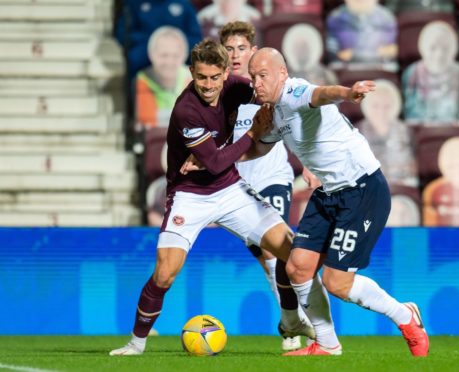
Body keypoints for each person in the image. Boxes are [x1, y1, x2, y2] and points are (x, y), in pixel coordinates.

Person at [109, 39, 314, 356]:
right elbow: (216, 161)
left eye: (214, 77)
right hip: (190, 195)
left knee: (290, 250)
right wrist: (251, 134)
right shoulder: (186, 110)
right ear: (191, 73)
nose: (208, 85)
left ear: (224, 74)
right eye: (201, 77)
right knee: (165, 273)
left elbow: (273, 94)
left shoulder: (235, 86)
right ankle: (136, 344)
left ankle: (290, 321)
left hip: (230, 189)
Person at [245, 48, 429, 356]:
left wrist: (348, 92)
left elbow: (322, 94)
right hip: (329, 193)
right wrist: (226, 153)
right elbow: (257, 150)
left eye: (262, 76)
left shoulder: (294, 92)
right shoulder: (273, 112)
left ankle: (405, 316)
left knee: (337, 282)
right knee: (298, 268)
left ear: (281, 73)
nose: (256, 83)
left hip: (362, 189)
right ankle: (327, 344)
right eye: (252, 77)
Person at [218, 21, 303, 351]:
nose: (235, 55)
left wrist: (307, 165)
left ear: (252, 51)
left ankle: (297, 321)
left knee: (276, 247)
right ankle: (291, 319)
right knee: (266, 259)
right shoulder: (220, 93)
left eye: (241, 48)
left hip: (272, 178)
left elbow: (295, 121)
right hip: (237, 187)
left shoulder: (266, 86)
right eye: (229, 50)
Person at [402, 21, 459, 127]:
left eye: (445, 48)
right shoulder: (411, 73)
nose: (439, 54)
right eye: (433, 47)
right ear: (423, 47)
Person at [114, 0, 203, 81]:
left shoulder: (184, 4)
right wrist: (152, 42)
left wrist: (177, 43)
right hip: (145, 50)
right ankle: (136, 95)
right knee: (134, 58)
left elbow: (196, 37)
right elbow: (122, 34)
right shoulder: (133, 4)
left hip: (178, 52)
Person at [135, 26, 193, 129]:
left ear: (183, 56)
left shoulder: (192, 79)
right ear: (152, 55)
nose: (169, 62)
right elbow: (147, 124)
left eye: (175, 56)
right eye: (164, 55)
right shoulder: (143, 80)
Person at [325, 0, 397, 66]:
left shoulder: (386, 17)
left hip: (379, 68)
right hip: (346, 69)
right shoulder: (336, 17)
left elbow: (391, 51)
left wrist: (352, 55)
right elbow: (334, 52)